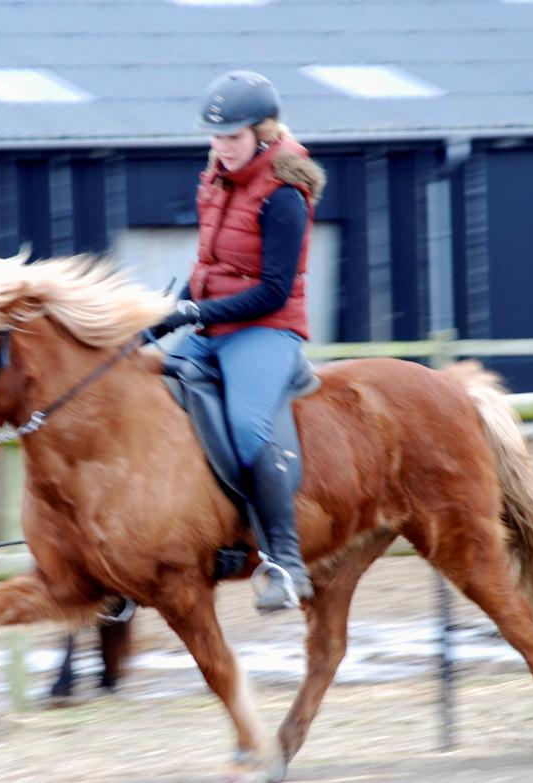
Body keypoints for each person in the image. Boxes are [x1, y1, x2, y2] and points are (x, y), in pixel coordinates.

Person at [149, 70, 325, 613]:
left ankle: (285, 562)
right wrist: (162, 315)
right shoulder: (215, 175)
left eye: (233, 138)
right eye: (215, 137)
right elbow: (209, 264)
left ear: (264, 132)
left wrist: (193, 311)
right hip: (210, 326)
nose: (222, 148)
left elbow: (273, 291)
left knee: (249, 433)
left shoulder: (285, 191)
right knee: (146, 400)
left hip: (265, 330)